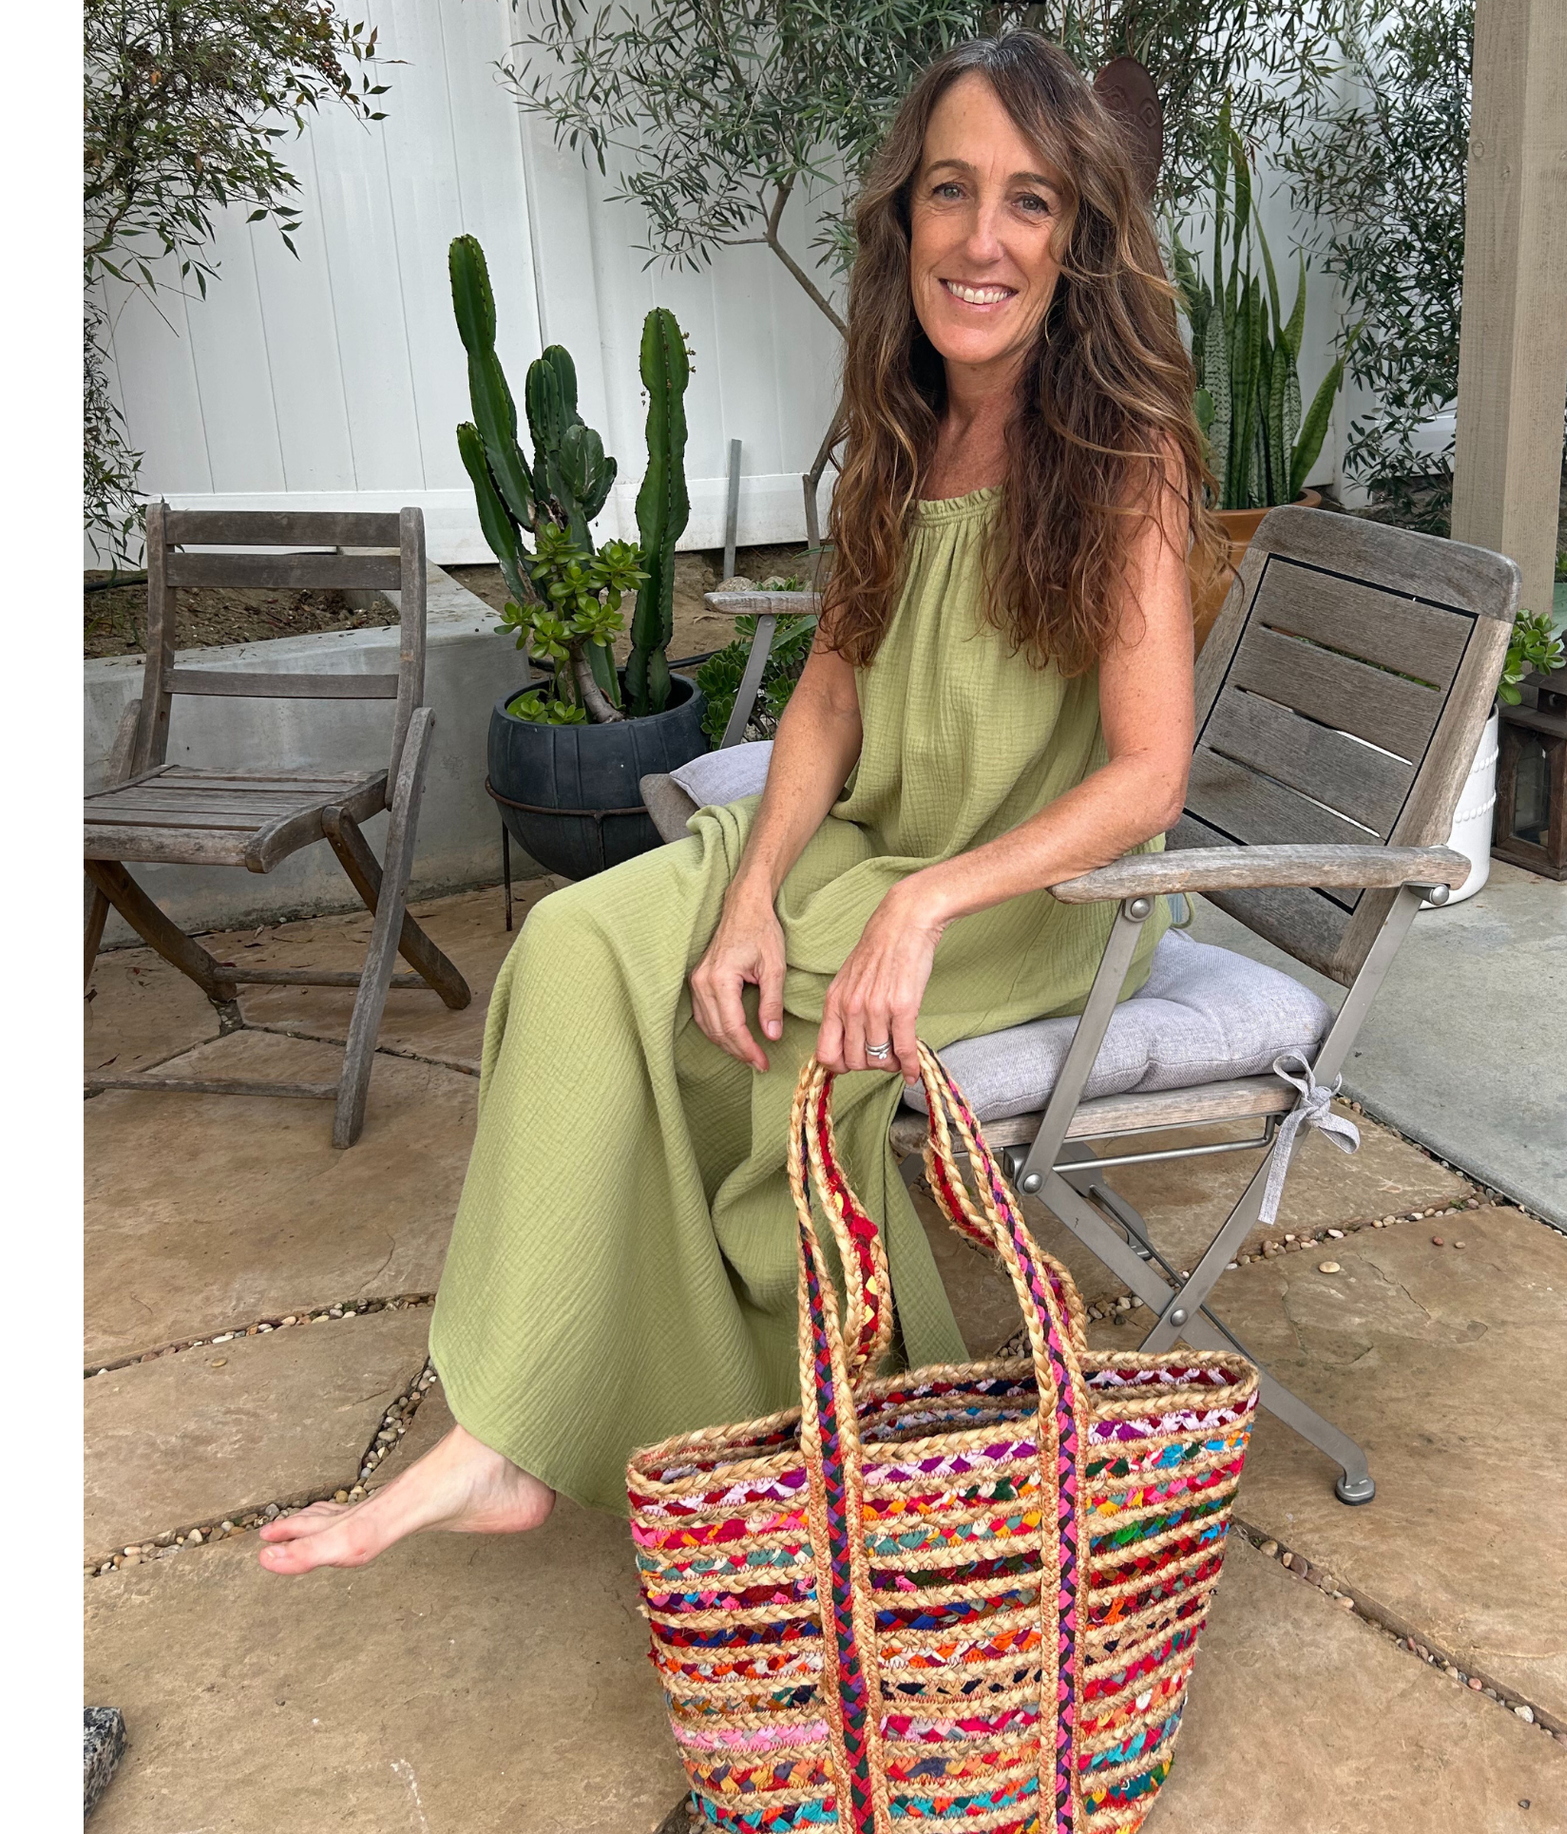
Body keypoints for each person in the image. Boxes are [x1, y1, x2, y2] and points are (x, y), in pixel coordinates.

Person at [258, 30, 1223, 1575]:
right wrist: (759, 884)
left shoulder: (1122, 460)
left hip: (1033, 904)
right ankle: (506, 1436)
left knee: (743, 1045)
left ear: (1078, 242)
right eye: (952, 193)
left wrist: (922, 899)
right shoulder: (904, 432)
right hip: (866, 850)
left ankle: (754, 1425)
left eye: (1028, 204)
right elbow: (829, 694)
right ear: (902, 218)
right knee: (577, 952)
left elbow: (1147, 774)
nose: (982, 239)